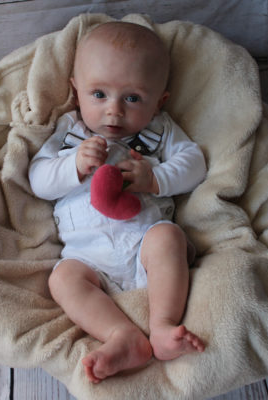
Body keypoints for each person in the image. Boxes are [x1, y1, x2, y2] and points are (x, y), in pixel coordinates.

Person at [29, 21, 207, 384]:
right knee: (62, 279)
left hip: (143, 244)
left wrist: (155, 178)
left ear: (159, 101)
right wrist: (73, 166)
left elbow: (195, 164)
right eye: (98, 94)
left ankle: (162, 326)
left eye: (133, 98)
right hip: (88, 257)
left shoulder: (159, 129)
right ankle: (121, 336)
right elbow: (38, 179)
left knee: (168, 238)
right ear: (76, 91)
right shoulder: (70, 133)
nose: (114, 111)